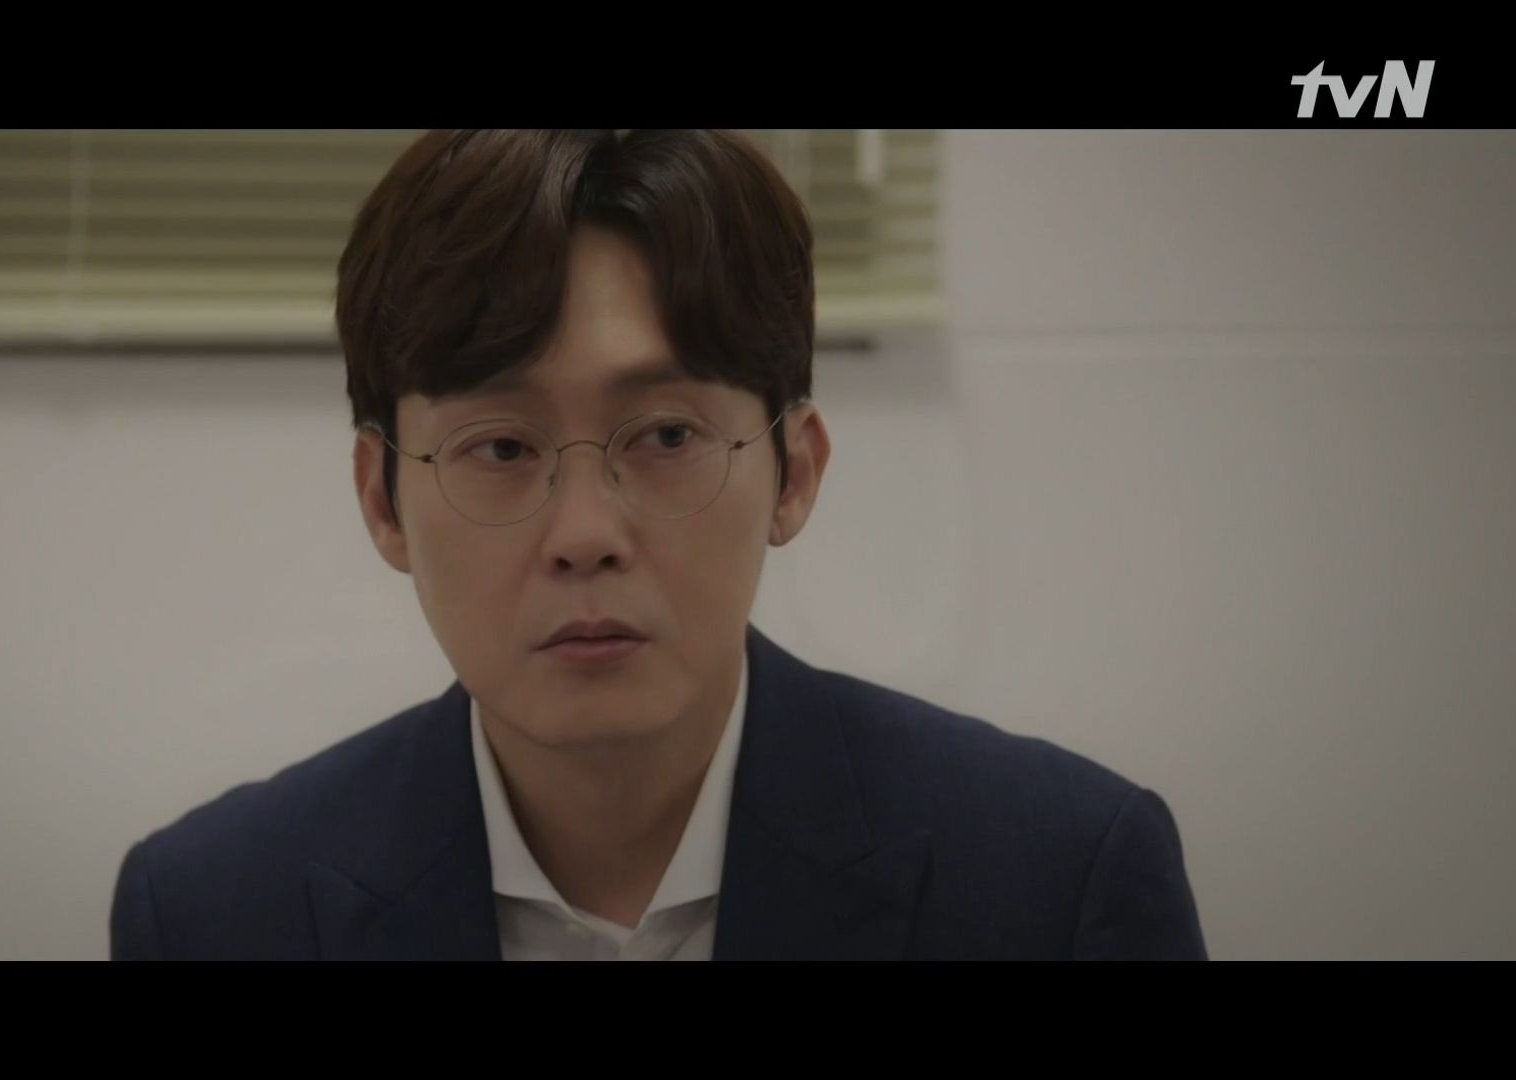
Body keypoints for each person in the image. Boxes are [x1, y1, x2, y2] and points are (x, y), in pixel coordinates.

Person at [108, 129, 1207, 960]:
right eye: (502, 447)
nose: (585, 536)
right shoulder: (212, 916)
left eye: (668, 436)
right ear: (382, 501)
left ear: (795, 472)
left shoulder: (1060, 885)